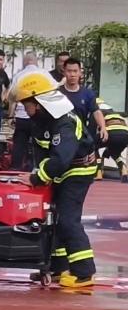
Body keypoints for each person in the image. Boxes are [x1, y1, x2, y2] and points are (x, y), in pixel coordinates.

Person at [13, 72, 99, 290]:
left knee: (69, 219)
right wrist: (37, 174)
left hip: (77, 170)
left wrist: (37, 177)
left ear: (38, 101)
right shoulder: (42, 121)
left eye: (26, 103)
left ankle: (83, 272)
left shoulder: (64, 122)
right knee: (55, 217)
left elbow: (61, 158)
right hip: (62, 171)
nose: (25, 108)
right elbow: (43, 153)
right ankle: (57, 266)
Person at [9, 52, 48, 171]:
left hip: (22, 115)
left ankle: (16, 168)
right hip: (40, 115)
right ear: (37, 62)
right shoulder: (44, 74)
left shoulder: (19, 75)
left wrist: (11, 116)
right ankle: (38, 168)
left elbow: (12, 97)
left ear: (24, 63)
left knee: (19, 143)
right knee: (40, 144)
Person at [59, 57, 107, 144]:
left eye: (75, 71)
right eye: (69, 71)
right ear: (64, 72)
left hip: (81, 136)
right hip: (61, 136)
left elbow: (96, 111)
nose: (72, 74)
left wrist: (103, 127)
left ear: (80, 73)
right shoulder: (58, 93)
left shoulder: (88, 94)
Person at [97, 101, 128, 180]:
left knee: (92, 146)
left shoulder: (98, 113)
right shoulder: (118, 115)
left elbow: (93, 130)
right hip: (125, 137)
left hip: (111, 135)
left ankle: (98, 172)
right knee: (115, 152)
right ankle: (124, 169)